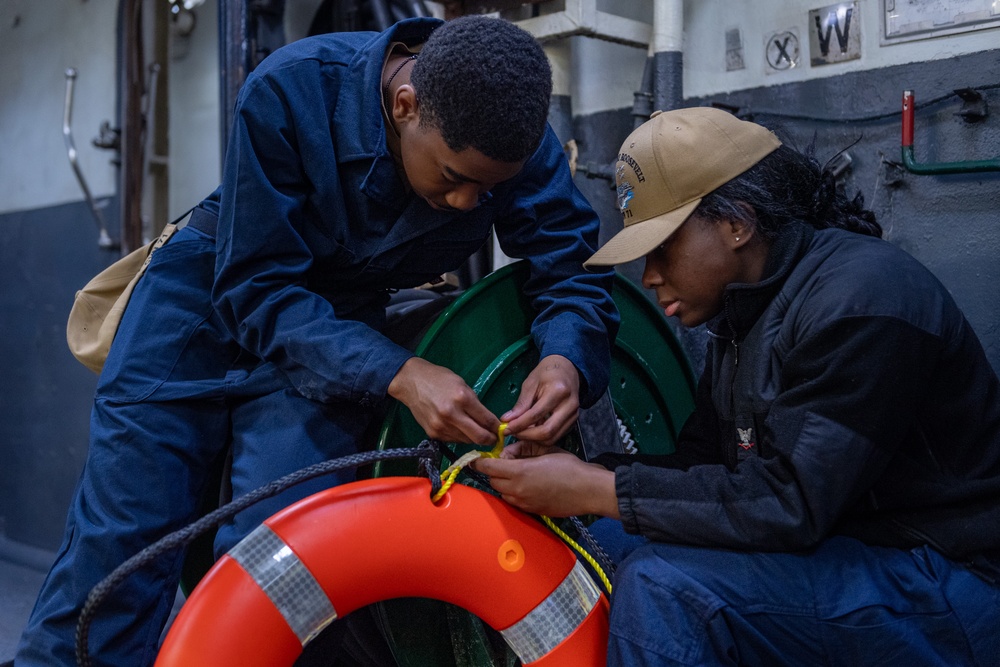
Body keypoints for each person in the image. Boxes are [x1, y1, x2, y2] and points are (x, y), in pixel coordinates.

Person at [16, 15, 618, 667]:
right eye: (452, 176)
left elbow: (571, 266)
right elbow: (256, 290)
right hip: (206, 301)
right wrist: (402, 372)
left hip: (333, 333)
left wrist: (566, 358)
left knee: (277, 561)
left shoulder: (512, 141)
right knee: (119, 547)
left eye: (488, 189)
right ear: (405, 104)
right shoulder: (290, 89)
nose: (470, 202)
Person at [473, 107, 1000, 666]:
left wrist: (592, 489)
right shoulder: (744, 315)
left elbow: (790, 501)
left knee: (665, 586)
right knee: (595, 539)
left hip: (948, 578)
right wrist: (572, 479)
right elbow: (709, 465)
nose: (649, 276)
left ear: (736, 224)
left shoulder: (863, 296)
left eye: (663, 249)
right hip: (847, 554)